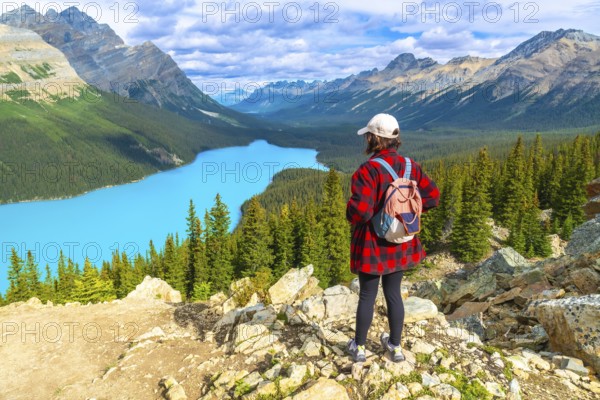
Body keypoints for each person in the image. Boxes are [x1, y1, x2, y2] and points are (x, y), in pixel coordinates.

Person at [346, 113, 440, 363]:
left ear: (374, 138)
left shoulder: (368, 170)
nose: (366, 138)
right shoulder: (411, 167)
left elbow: (361, 212)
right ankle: (396, 348)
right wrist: (406, 215)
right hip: (401, 241)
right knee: (394, 294)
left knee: (367, 295)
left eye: (368, 135)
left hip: (372, 243)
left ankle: (360, 348)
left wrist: (350, 210)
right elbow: (432, 197)